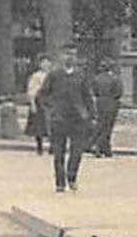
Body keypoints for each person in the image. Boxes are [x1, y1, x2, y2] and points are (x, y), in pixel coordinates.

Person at [37, 45, 96, 192]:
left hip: (78, 119)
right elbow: (42, 95)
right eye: (67, 54)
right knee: (58, 153)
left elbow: (87, 96)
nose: (70, 58)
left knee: (77, 152)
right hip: (59, 118)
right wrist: (52, 108)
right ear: (61, 56)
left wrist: (90, 114)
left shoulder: (81, 76)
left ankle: (72, 176)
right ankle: (59, 182)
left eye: (73, 55)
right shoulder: (54, 75)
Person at [91, 60, 123, 158]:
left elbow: (95, 91)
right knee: (108, 127)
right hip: (111, 103)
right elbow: (118, 93)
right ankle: (98, 145)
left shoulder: (96, 79)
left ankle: (106, 149)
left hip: (100, 102)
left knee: (101, 124)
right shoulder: (115, 79)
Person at [25, 55, 53, 155]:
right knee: (39, 126)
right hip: (40, 101)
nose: (46, 65)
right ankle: (39, 147)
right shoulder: (36, 76)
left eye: (48, 62)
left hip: (51, 101)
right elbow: (32, 90)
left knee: (53, 125)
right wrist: (32, 103)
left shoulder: (53, 75)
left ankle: (52, 147)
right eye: (43, 62)